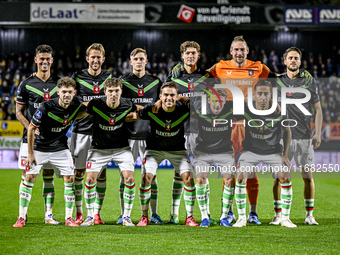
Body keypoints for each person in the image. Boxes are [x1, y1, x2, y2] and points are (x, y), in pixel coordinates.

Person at [13, 77, 85, 227]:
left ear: (74, 93)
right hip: (40, 147)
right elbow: (31, 128)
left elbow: (88, 110)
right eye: (64, 92)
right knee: (30, 177)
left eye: (69, 92)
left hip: (60, 147)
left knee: (70, 178)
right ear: (58, 92)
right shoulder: (46, 106)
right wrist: (31, 153)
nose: (66, 95)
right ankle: (21, 217)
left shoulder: (77, 105)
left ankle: (68, 218)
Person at [233, 80, 296, 228]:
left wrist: (285, 155)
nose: (263, 97)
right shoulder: (246, 108)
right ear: (254, 95)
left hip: (273, 152)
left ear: (271, 95)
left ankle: (285, 218)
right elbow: (229, 106)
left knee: (285, 177)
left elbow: (288, 131)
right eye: (259, 94)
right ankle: (241, 218)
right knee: (241, 177)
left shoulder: (280, 111)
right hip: (250, 151)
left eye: (266, 94)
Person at [270, 47, 322, 226]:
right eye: (290, 58)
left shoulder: (308, 82)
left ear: (300, 62)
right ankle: (278, 215)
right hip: (282, 137)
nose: (293, 60)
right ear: (284, 61)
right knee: (279, 177)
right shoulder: (277, 81)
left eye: (296, 58)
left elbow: (318, 109)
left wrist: (318, 132)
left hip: (304, 136)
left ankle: (309, 215)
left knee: (307, 176)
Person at [166, 41, 216, 225]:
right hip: (180, 131)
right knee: (180, 173)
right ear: (182, 56)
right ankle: (174, 214)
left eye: (194, 53)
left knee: (202, 173)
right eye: (187, 53)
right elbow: (165, 99)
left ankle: (205, 213)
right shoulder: (172, 79)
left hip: (202, 131)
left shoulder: (206, 77)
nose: (190, 56)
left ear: (198, 55)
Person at [136, 82, 198, 227]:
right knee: (146, 178)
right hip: (154, 150)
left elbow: (196, 106)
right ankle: (144, 216)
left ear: (177, 97)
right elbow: (133, 115)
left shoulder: (184, 109)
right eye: (165, 95)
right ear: (160, 96)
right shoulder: (151, 109)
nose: (168, 98)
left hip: (177, 150)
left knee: (188, 178)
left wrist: (181, 98)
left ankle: (189, 217)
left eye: (172, 95)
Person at [80, 77, 139, 227]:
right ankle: (89, 216)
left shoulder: (127, 104)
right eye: (110, 91)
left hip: (121, 148)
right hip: (99, 148)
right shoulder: (95, 104)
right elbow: (78, 109)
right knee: (89, 180)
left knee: (130, 179)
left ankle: (126, 217)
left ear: (121, 91)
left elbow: (137, 111)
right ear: (105, 91)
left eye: (116, 91)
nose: (114, 94)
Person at [16, 44, 60, 225]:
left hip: (52, 140)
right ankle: (22, 215)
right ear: (36, 60)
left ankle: (48, 215)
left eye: (47, 59)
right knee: (29, 176)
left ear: (52, 60)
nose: (44, 62)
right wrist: (30, 127)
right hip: (30, 140)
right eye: (41, 58)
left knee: (48, 175)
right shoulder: (26, 84)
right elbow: (18, 111)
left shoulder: (59, 84)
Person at [118, 48, 163, 224]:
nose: (138, 61)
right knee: (125, 176)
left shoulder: (155, 82)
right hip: (128, 135)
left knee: (150, 176)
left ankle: (153, 214)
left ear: (146, 61)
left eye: (141, 58)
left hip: (150, 135)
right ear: (130, 61)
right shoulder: (123, 82)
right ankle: (124, 214)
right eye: (135, 58)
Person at [70, 43, 112, 224]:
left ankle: (96, 213)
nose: (95, 60)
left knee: (101, 173)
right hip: (81, 132)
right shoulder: (77, 77)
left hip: (102, 133)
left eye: (98, 57)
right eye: (92, 57)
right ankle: (79, 212)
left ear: (103, 59)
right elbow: (70, 99)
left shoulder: (110, 77)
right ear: (87, 59)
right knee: (78, 172)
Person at [191, 88, 235, 227]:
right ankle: (205, 216)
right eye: (214, 101)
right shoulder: (199, 107)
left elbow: (251, 103)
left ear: (225, 101)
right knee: (200, 179)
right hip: (203, 151)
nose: (217, 104)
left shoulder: (231, 107)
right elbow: (183, 99)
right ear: (208, 100)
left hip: (225, 150)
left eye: (221, 101)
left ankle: (224, 217)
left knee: (229, 179)